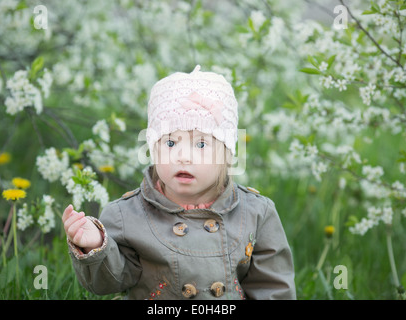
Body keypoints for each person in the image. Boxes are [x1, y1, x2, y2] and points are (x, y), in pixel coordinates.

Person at [62, 65, 296, 299]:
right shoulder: (128, 215)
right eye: (171, 143)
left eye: (201, 144)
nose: (183, 156)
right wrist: (95, 247)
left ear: (226, 154)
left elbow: (272, 287)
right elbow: (109, 282)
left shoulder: (254, 213)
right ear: (153, 149)